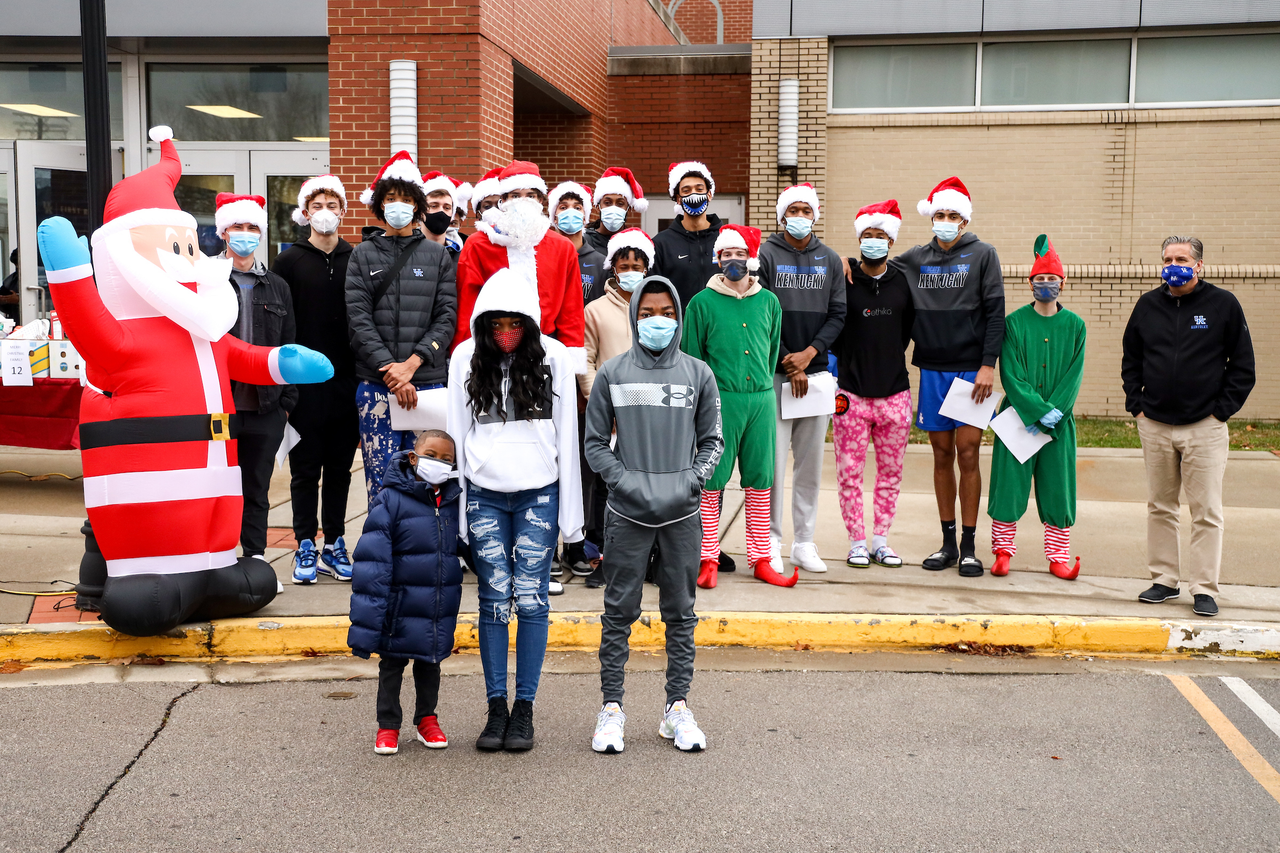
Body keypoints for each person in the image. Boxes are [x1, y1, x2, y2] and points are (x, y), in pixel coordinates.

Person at [447, 267, 584, 752]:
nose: (505, 335)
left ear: (530, 322)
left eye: (515, 325)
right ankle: (496, 707)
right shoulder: (465, 356)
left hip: (539, 492)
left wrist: (572, 518)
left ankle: (524, 708)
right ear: (483, 323)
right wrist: (457, 511)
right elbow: (455, 436)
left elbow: (569, 436)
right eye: (496, 325)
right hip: (484, 491)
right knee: (491, 599)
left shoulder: (557, 357)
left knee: (531, 599)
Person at [585, 276, 722, 754]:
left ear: (679, 317)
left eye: (666, 313)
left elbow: (713, 443)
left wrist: (691, 480)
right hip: (627, 512)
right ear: (633, 317)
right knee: (618, 613)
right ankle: (612, 709)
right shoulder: (613, 373)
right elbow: (595, 445)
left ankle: (676, 708)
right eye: (647, 314)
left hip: (682, 511)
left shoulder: (699, 374)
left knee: (680, 615)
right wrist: (624, 482)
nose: (657, 321)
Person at [1123, 236, 1255, 618]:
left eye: (1181, 258)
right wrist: (1138, 406)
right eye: (1167, 258)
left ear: (1199, 265)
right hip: (1156, 425)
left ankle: (1203, 588)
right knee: (1161, 507)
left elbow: (1243, 366)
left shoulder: (1223, 305)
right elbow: (1131, 359)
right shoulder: (1147, 306)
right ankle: (1164, 579)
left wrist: (1220, 412)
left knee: (1206, 511)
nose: (1172, 264)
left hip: (1205, 428)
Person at [891, 176, 1004, 577]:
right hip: (933, 370)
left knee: (969, 452)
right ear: (931, 217)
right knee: (941, 454)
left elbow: (995, 313)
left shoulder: (983, 254)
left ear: (964, 218)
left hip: (972, 372)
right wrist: (842, 265)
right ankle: (948, 544)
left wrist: (988, 365)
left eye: (952, 214)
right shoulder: (916, 258)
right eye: (939, 213)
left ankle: (972, 546)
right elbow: (878, 268)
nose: (945, 220)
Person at [682, 224, 790, 589]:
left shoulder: (769, 302)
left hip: (760, 399)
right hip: (720, 401)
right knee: (712, 481)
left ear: (751, 258)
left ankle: (761, 558)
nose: (732, 260)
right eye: (726, 254)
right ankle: (707, 557)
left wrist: (758, 382)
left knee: (760, 480)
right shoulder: (701, 303)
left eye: (738, 254)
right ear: (717, 259)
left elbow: (772, 351)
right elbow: (693, 358)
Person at [346, 151, 457, 503]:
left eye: (407, 199)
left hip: (426, 386)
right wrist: (392, 371)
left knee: (428, 477)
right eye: (391, 199)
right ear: (380, 205)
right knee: (380, 481)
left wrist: (412, 365)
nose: (399, 206)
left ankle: (423, 553)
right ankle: (382, 553)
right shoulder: (362, 254)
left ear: (418, 206)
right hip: (376, 385)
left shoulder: (437, 256)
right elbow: (358, 318)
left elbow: (446, 317)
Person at [348, 429, 461, 755]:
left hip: (437, 606)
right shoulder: (390, 499)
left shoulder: (453, 500)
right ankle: (388, 726)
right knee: (392, 666)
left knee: (430, 664)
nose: (438, 463)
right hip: (398, 606)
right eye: (432, 455)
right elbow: (373, 561)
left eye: (447, 459)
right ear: (413, 457)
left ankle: (427, 718)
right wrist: (371, 616)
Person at [273, 174, 360, 585]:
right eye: (317, 205)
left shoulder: (356, 258)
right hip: (303, 387)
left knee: (340, 469)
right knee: (305, 470)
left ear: (343, 211)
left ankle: (336, 542)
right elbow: (280, 326)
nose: (325, 213)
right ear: (304, 213)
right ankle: (305, 542)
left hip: (346, 383)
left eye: (332, 205)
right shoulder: (288, 262)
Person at [756, 183, 846, 575]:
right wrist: (785, 361)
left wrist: (809, 355)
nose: (799, 215)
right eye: (792, 209)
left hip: (816, 376)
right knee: (773, 464)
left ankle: (804, 542)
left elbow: (838, 314)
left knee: (809, 465)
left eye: (805, 209)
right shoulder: (766, 253)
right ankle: (772, 540)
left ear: (815, 214)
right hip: (775, 375)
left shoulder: (829, 259)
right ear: (781, 214)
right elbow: (759, 312)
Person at [988, 235, 1087, 581]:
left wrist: (1054, 411)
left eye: (1052, 279)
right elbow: (1011, 373)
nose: (1046, 285)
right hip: (1017, 418)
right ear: (1030, 283)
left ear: (1063, 282)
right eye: (1040, 280)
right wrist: (1035, 409)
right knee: (1009, 485)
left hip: (1060, 423)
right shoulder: (1013, 323)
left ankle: (1058, 556)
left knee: (1058, 487)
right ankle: (1002, 551)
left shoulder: (1076, 326)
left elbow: (1073, 374)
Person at [216, 193, 297, 563]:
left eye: (252, 228)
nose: (244, 234)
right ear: (223, 233)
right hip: (221, 406)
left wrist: (286, 403)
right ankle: (217, 556)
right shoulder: (209, 282)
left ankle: (254, 558)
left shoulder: (277, 286)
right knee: (218, 485)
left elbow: (289, 346)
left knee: (257, 487)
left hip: (266, 407)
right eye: (237, 227)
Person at [833, 200, 914, 569]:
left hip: (895, 396)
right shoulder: (845, 278)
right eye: (867, 235)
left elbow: (906, 332)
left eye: (880, 236)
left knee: (890, 474)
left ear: (891, 242)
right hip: (850, 395)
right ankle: (857, 542)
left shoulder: (903, 282)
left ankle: (881, 540)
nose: (873, 241)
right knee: (849, 474)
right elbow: (835, 328)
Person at [451, 161, 586, 373]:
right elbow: (467, 305)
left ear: (541, 200)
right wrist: (465, 360)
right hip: (490, 353)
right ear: (502, 200)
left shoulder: (563, 248)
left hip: (546, 354)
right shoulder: (478, 244)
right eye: (515, 195)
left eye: (531, 195)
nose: (523, 202)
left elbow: (571, 312)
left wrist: (571, 363)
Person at [579, 227, 655, 588]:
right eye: (623, 264)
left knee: (649, 487)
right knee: (608, 489)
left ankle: (650, 558)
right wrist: (602, 406)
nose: (630, 270)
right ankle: (606, 557)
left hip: (650, 413)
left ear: (647, 267)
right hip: (609, 414)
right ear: (613, 268)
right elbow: (588, 360)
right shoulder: (594, 310)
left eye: (637, 265)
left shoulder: (659, 308)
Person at [651, 161, 725, 310]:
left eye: (699, 189)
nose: (694, 194)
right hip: (681, 329)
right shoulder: (660, 244)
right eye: (686, 190)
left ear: (709, 194)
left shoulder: (727, 239)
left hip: (721, 328)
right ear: (678, 199)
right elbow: (654, 293)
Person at [548, 180, 607, 304]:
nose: (571, 212)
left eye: (577, 208)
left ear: (585, 217)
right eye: (563, 207)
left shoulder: (601, 264)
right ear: (554, 217)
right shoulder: (544, 258)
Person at [585, 166, 649, 256]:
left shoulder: (636, 243)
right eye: (607, 203)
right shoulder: (584, 241)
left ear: (628, 208)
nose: (613, 208)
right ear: (597, 206)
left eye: (620, 204)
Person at [419, 170, 461, 259]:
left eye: (447, 208)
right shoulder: (406, 250)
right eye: (434, 206)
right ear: (421, 211)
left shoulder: (462, 254)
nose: (441, 211)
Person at [0, 249, 19, 322]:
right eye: (16, 264)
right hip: (15, 319)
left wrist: (19, 300)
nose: (17, 267)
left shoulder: (41, 276)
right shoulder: (12, 279)